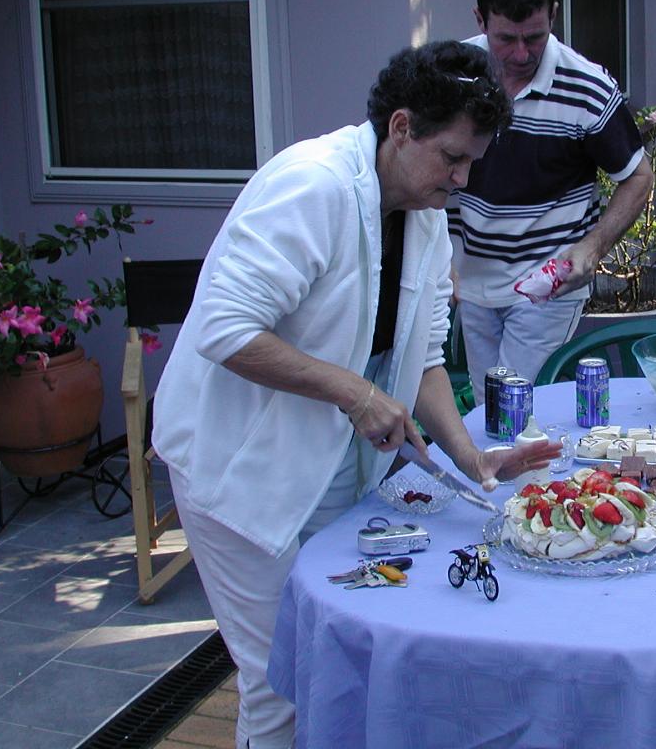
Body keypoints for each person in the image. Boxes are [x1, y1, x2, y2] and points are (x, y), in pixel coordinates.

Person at [152, 41, 558, 749]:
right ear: (401, 127)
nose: (463, 180)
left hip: (332, 463)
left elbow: (425, 356)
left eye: (472, 164)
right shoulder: (311, 185)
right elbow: (223, 327)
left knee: (339, 660)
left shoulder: (426, 215)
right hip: (238, 468)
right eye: (453, 159)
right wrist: (353, 391)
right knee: (281, 678)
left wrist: (470, 458)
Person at [449, 0, 653, 401]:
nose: (521, 54)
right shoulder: (456, 76)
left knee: (508, 405)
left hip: (548, 283)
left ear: (554, 15)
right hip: (472, 277)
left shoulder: (588, 87)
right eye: (505, 39)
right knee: (493, 408)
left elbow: (638, 176)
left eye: (535, 37)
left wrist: (592, 247)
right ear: (479, 20)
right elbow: (429, 169)